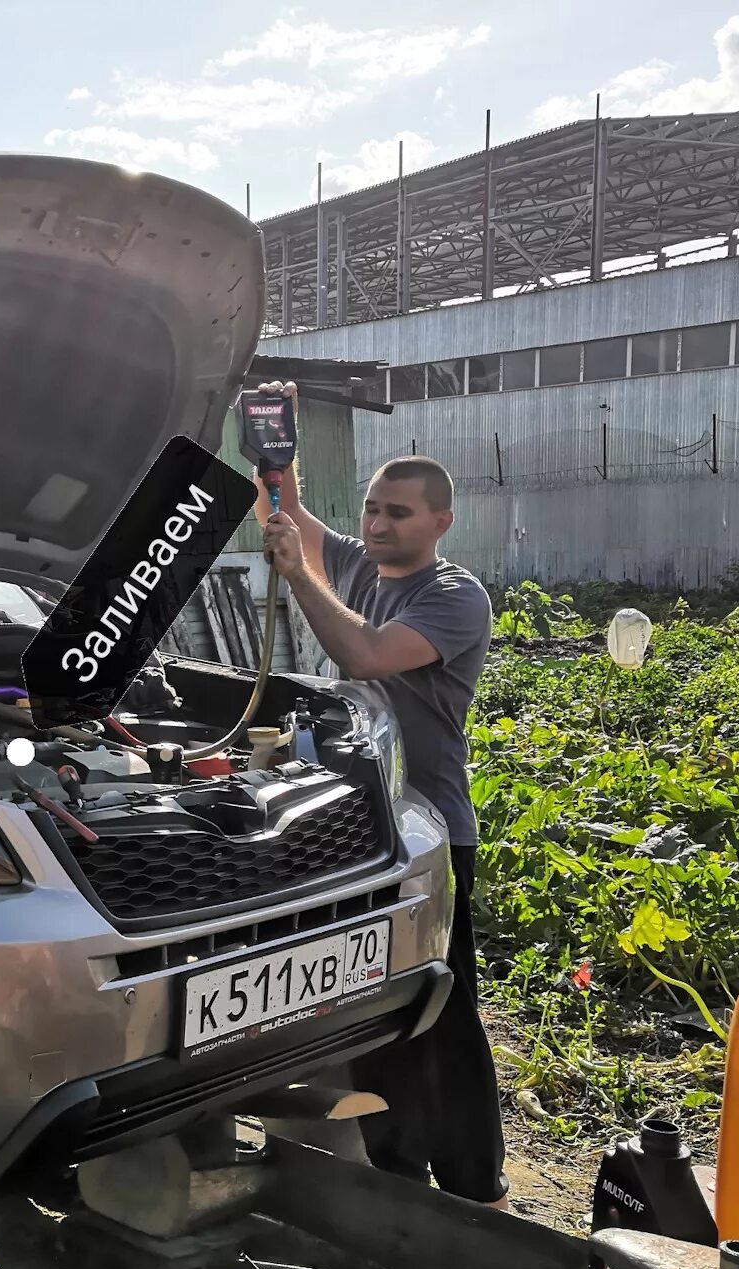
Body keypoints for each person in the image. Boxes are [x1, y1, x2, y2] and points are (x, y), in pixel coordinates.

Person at [251, 381, 508, 1211]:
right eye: (370, 509)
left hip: (429, 829)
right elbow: (289, 508)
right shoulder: (361, 566)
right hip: (357, 827)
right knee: (373, 1005)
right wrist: (274, 447)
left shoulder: (452, 597)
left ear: (439, 522)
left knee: (447, 1013)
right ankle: (399, 1177)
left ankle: (476, 1187)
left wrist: (298, 573)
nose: (375, 524)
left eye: (397, 512)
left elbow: (362, 654)